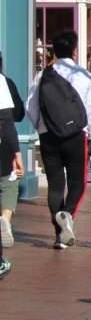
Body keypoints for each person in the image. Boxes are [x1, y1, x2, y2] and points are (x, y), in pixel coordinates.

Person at [26, 29, 91, 246]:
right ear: (74, 50)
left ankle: (59, 235)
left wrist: (41, 127)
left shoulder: (43, 75)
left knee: (55, 184)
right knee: (78, 182)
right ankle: (67, 215)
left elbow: (31, 106)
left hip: (48, 135)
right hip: (76, 136)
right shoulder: (83, 75)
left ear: (54, 51)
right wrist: (90, 132)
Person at [0, 51, 21, 256]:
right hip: (3, 144)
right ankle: (5, 218)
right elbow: (9, 120)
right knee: (9, 181)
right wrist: (18, 153)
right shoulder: (3, 82)